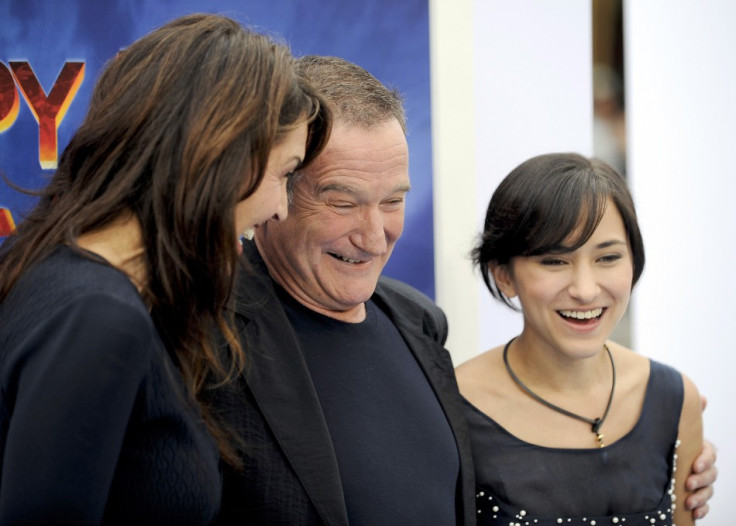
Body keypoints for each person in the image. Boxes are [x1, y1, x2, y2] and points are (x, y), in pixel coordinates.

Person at [216, 59, 716, 525]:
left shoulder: (417, 322)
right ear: (275, 187)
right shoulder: (204, 334)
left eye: (393, 200)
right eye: (343, 203)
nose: (374, 235)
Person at [0, 14, 331, 523]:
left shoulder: (48, 275)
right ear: (219, 155)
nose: (282, 210)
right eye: (284, 173)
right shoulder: (98, 317)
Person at [456, 153, 704, 525]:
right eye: (555, 262)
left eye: (608, 258)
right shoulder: (453, 407)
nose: (585, 291)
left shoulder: (674, 397)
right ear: (503, 274)